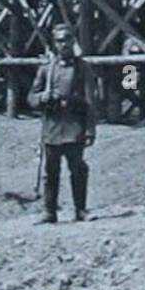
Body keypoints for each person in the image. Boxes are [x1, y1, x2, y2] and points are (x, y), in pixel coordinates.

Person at [27, 24, 97, 223]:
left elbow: (91, 101)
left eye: (66, 39)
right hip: (52, 127)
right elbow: (31, 98)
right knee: (51, 172)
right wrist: (43, 97)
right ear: (54, 44)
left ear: (73, 41)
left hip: (75, 126)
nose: (63, 44)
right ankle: (50, 212)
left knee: (78, 169)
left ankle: (81, 210)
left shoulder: (83, 68)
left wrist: (90, 130)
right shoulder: (46, 69)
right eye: (59, 40)